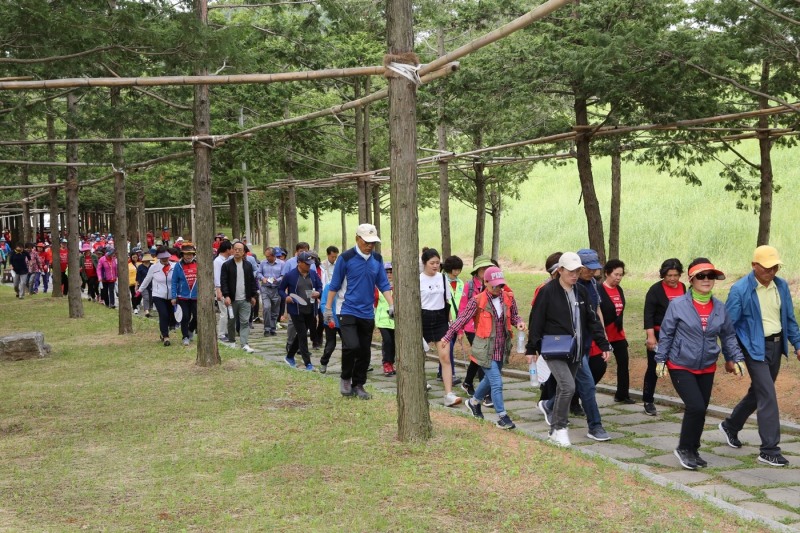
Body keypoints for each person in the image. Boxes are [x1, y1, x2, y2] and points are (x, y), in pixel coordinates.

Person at [656, 258, 745, 470]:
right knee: (695, 406)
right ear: (691, 279)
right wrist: (660, 360)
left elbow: (728, 335)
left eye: (710, 276)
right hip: (681, 364)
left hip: (706, 365)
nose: (706, 280)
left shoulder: (720, 308)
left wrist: (737, 357)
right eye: (701, 276)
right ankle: (683, 448)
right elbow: (667, 334)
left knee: (701, 408)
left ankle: (693, 449)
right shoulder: (678, 305)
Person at [720, 246, 800, 467]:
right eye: (766, 267)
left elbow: (789, 318)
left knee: (759, 392)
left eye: (775, 267)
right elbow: (728, 327)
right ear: (754, 265)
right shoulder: (740, 290)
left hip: (776, 345)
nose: (771, 271)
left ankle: (730, 425)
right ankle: (769, 450)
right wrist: (730, 356)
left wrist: (797, 344)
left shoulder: (781, 286)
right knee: (768, 396)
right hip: (753, 348)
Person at [526, 252, 612, 447]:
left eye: (577, 271)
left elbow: (592, 319)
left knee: (563, 388)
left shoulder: (581, 291)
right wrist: (531, 348)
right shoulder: (547, 291)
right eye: (571, 271)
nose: (574, 275)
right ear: (560, 270)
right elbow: (536, 320)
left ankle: (554, 430)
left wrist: (603, 343)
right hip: (554, 348)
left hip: (576, 349)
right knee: (568, 387)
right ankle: (561, 428)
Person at [443, 266, 526, 429]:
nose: (498, 288)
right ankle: (502, 417)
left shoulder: (508, 297)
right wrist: (448, 335)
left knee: (489, 379)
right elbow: (462, 319)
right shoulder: (478, 300)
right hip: (484, 348)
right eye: (494, 285)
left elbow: (515, 316)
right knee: (497, 382)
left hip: (501, 347)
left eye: (500, 285)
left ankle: (474, 402)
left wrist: (519, 322)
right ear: (485, 282)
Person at [323, 223, 393, 400]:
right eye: (366, 242)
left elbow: (383, 283)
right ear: (357, 239)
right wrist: (328, 308)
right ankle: (346, 378)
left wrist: (392, 304)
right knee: (351, 346)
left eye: (373, 242)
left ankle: (359, 384)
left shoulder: (377, 259)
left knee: (364, 351)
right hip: (346, 309)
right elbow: (335, 284)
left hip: (367, 312)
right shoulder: (346, 258)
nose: (369, 246)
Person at [642, 258, 686, 416]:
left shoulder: (683, 287)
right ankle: (648, 400)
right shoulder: (655, 290)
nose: (673, 279)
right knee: (654, 367)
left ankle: (689, 399)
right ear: (663, 275)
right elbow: (648, 315)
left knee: (681, 367)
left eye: (676, 275)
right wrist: (651, 337)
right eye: (669, 275)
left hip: (679, 334)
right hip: (659, 334)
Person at [419, 248, 462, 407]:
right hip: (422, 319)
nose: (435, 266)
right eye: (432, 263)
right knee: (419, 355)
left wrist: (450, 323)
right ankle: (420, 383)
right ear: (424, 263)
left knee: (445, 357)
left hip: (440, 321)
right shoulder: (418, 279)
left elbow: (447, 302)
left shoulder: (443, 278)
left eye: (437, 263)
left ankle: (449, 394)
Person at [457, 254, 494, 397]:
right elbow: (462, 309)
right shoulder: (469, 286)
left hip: (488, 326)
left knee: (479, 356)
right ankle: (486, 393)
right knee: (483, 355)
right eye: (482, 268)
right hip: (472, 327)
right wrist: (459, 330)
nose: (485, 271)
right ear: (477, 271)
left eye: (487, 268)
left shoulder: (494, 284)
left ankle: (467, 382)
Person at [279, 251, 322, 370]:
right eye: (307, 263)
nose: (309, 265)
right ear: (299, 262)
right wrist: (286, 297)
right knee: (303, 335)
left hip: (310, 309)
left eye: (310, 263)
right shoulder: (290, 275)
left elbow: (320, 286)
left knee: (300, 334)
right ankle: (308, 363)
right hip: (296, 310)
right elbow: (281, 290)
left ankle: (289, 357)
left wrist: (318, 293)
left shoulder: (313, 274)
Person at [596, 259, 632, 403]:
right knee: (598, 366)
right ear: (607, 273)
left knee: (623, 363)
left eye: (620, 275)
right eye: (615, 274)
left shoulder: (619, 289)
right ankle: (580, 394)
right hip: (604, 335)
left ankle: (622, 394)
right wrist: (601, 334)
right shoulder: (599, 290)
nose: (618, 278)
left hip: (618, 334)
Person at [220, 241, 258, 354]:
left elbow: (252, 281)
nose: (237, 251)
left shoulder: (248, 265)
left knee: (245, 321)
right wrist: (226, 295)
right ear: (232, 250)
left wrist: (253, 295)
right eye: (235, 249)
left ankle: (244, 343)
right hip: (232, 299)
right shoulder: (226, 265)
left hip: (245, 299)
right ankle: (232, 341)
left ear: (244, 252)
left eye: (240, 250)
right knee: (231, 321)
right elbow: (223, 282)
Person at [138, 247, 176, 346]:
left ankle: (165, 330)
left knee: (170, 316)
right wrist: (140, 290)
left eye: (166, 257)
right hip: (158, 295)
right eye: (162, 257)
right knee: (163, 315)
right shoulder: (154, 267)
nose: (165, 259)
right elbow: (147, 280)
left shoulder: (175, 266)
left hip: (172, 296)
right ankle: (166, 337)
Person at [438, 256, 464, 386]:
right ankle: (451, 373)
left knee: (447, 348)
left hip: (457, 320)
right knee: (449, 347)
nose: (457, 272)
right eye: (455, 269)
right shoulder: (441, 280)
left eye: (459, 269)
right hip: (444, 320)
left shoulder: (461, 283)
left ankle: (440, 372)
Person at [171, 242, 199, 347]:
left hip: (196, 296)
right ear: (182, 254)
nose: (188, 256)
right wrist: (173, 296)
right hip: (182, 297)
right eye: (186, 254)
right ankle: (185, 336)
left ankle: (190, 329)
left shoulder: (198, 264)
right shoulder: (178, 266)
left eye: (190, 254)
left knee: (197, 316)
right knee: (185, 317)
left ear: (193, 254)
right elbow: (174, 282)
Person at [375, 262, 396, 376]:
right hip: (383, 320)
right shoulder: (378, 287)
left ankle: (392, 362)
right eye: (386, 272)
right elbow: (374, 303)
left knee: (393, 342)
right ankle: (386, 363)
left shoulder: (399, 286)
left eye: (391, 272)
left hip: (395, 321)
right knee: (387, 341)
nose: (389, 274)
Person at [257, 246, 283, 337]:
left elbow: (284, 275)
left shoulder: (281, 264)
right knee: (267, 307)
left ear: (273, 256)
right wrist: (262, 278)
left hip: (277, 289)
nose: (267, 258)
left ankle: (273, 328)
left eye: (268, 256)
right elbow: (258, 273)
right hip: (265, 288)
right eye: (266, 256)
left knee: (275, 310)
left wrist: (278, 280)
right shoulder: (263, 263)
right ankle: (267, 328)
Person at [213, 240, 233, 341]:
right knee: (224, 312)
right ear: (227, 250)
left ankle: (226, 331)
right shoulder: (218, 261)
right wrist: (218, 291)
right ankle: (221, 333)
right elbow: (217, 277)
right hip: (221, 289)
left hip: (228, 289)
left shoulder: (228, 260)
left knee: (229, 311)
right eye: (231, 248)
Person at [136, 253, 154, 317]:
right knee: (146, 297)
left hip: (152, 285)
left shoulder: (153, 266)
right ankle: (146, 311)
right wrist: (136, 286)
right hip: (142, 285)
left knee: (151, 298)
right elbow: (137, 277)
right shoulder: (140, 267)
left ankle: (149, 309)